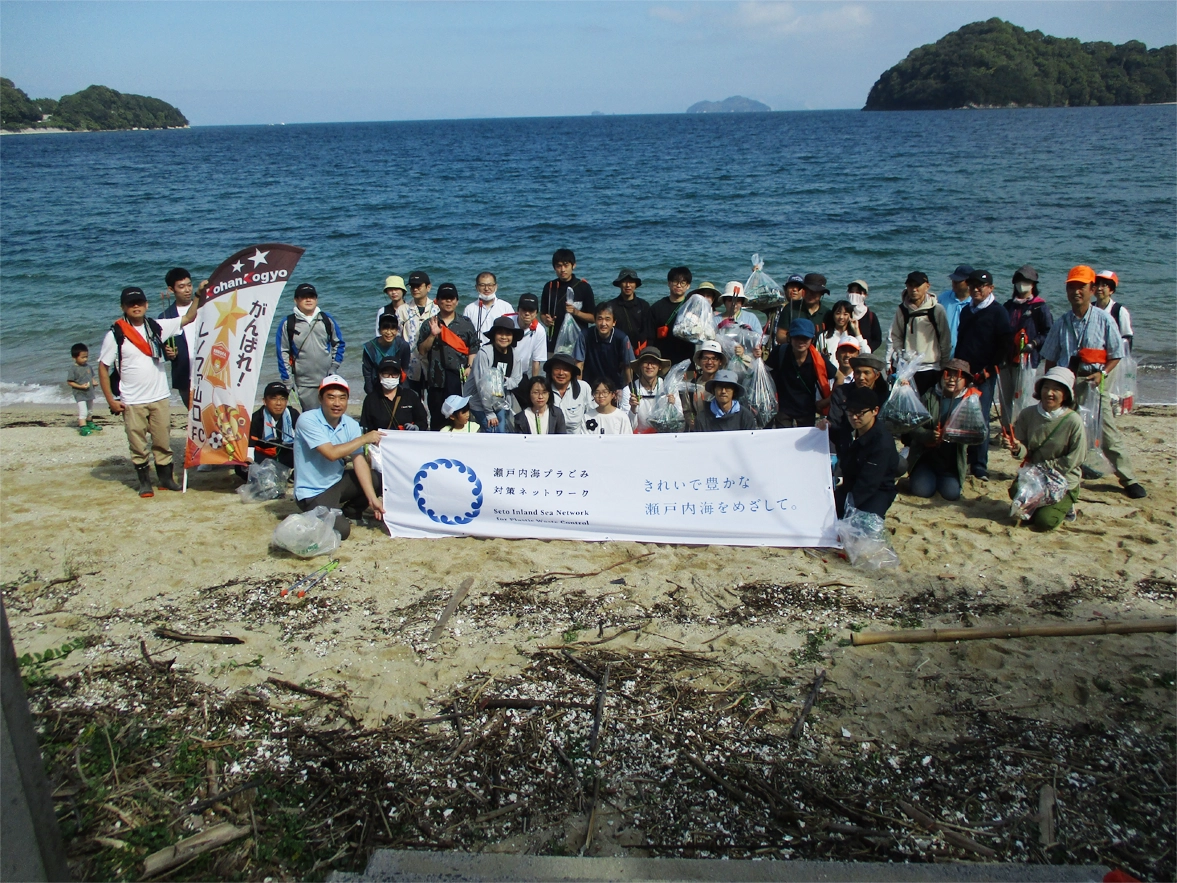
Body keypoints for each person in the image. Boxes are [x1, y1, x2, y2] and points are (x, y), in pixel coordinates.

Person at [1039, 265, 1146, 500]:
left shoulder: (1105, 319)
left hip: (1094, 382)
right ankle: (1060, 473)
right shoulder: (1061, 322)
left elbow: (1116, 353)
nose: (1076, 291)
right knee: (1063, 431)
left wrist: (1103, 374)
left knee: (1106, 431)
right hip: (1067, 383)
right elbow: (1050, 358)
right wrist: (1049, 386)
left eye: (1081, 287)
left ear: (1092, 289)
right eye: (1072, 287)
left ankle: (1128, 478)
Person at [97, 285, 201, 497]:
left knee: (163, 441)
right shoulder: (115, 334)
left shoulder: (156, 326)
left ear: (146, 305)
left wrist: (198, 294)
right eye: (130, 304)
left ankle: (165, 480)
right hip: (132, 400)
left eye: (139, 303)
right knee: (138, 444)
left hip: (160, 397)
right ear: (123, 307)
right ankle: (145, 482)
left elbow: (189, 317)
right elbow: (103, 367)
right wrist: (110, 400)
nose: (135, 307)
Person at [292, 375, 384, 541]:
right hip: (312, 492)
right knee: (342, 531)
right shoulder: (307, 420)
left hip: (337, 483)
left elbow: (358, 461)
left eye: (342, 398)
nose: (337, 403)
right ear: (321, 398)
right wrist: (363, 439)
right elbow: (331, 454)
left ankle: (351, 511)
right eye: (331, 397)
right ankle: (319, 513)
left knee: (377, 477)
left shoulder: (351, 424)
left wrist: (372, 499)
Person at [1005, 367, 1086, 530]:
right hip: (1035, 476)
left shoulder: (1073, 421)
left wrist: (1046, 469)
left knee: (1044, 522)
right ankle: (1042, 505)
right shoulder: (1028, 414)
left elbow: (1076, 458)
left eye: (1056, 389)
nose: (1049, 393)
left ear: (1066, 394)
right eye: (1046, 387)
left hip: (1063, 479)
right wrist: (1015, 448)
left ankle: (1067, 505)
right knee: (1015, 491)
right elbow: (1024, 450)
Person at [953, 269, 1013, 481]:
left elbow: (1006, 346)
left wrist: (990, 369)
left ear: (991, 288)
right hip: (964, 372)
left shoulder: (998, 312)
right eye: (972, 286)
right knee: (960, 416)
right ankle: (962, 461)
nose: (976, 289)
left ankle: (979, 465)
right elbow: (961, 342)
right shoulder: (967, 311)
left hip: (985, 374)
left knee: (981, 419)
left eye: (981, 286)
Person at [907, 360, 977, 502]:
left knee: (951, 494)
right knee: (922, 491)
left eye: (957, 376)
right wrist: (928, 435)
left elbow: (979, 434)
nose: (952, 379)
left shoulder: (970, 402)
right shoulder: (929, 396)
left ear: (966, 381)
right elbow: (912, 426)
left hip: (950, 464)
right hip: (926, 459)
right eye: (948, 374)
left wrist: (958, 434)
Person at [417, 282, 479, 432]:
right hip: (436, 378)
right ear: (437, 301)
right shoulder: (429, 323)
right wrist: (433, 335)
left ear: (457, 301)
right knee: (437, 418)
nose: (448, 301)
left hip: (458, 378)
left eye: (451, 298)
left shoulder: (465, 323)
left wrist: (470, 366)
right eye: (444, 298)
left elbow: (473, 347)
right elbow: (422, 351)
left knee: (459, 418)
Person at [999, 264, 1053, 432]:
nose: (1022, 284)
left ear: (1033, 285)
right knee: (1005, 397)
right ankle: (1006, 430)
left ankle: (1023, 430)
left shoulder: (1040, 307)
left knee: (1023, 397)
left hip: (1028, 359)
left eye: (1026, 281)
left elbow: (1048, 332)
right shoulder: (1008, 306)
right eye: (1019, 281)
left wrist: (1034, 343)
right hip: (1006, 359)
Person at [274, 283, 345, 409]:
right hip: (304, 384)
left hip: (328, 379)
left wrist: (334, 366)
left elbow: (338, 343)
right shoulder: (288, 323)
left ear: (316, 299)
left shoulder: (326, 319)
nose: (308, 300)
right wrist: (287, 380)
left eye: (311, 296)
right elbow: (282, 352)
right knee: (311, 419)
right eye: (303, 297)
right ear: (296, 300)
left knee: (332, 416)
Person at [835, 386, 901, 519]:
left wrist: (849, 508)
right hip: (850, 485)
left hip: (877, 490)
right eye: (850, 411)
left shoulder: (882, 442)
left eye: (859, 413)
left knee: (863, 524)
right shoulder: (849, 429)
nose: (854, 417)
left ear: (875, 411)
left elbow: (869, 484)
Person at [888, 271, 952, 395]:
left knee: (929, 405)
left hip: (931, 367)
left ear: (927, 286)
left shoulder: (937, 310)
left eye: (918, 285)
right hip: (908, 368)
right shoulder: (902, 310)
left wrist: (944, 365)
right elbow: (896, 335)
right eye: (910, 285)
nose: (914, 289)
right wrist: (901, 356)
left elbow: (945, 339)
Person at [767, 318, 835, 428]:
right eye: (797, 337)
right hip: (782, 409)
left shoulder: (818, 359)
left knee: (805, 443)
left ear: (812, 339)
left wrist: (826, 401)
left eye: (805, 338)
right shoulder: (780, 352)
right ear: (790, 337)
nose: (801, 341)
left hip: (807, 411)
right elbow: (765, 374)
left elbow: (839, 378)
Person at [828, 352, 891, 468]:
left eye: (866, 373)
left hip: (877, 446)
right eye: (857, 372)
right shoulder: (841, 393)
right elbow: (835, 424)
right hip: (847, 445)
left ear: (876, 376)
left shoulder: (886, 396)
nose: (861, 378)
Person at [468, 316, 525, 432]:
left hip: (501, 403)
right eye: (500, 333)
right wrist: (489, 413)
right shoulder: (484, 354)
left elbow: (516, 380)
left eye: (508, 334)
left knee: (503, 431)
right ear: (494, 335)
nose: (504, 337)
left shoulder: (515, 355)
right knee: (493, 431)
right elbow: (481, 385)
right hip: (479, 402)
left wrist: (500, 381)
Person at [236, 381, 300, 482]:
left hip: (285, 454)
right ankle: (265, 478)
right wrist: (249, 460)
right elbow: (250, 446)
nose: (278, 403)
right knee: (241, 467)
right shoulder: (256, 418)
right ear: (264, 401)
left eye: (282, 399)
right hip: (264, 456)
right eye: (273, 398)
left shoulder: (293, 414)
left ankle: (292, 476)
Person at [574, 303, 635, 408]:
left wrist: (628, 391)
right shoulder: (584, 335)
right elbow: (579, 364)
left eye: (607, 319)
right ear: (595, 320)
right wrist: (579, 390)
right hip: (590, 386)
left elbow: (628, 367)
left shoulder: (622, 338)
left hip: (615, 387)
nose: (603, 323)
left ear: (614, 322)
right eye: (600, 319)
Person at [540, 249, 595, 356]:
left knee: (577, 372)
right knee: (554, 372)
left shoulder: (584, 287)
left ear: (573, 265)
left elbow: (593, 318)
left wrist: (576, 312)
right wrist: (546, 320)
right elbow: (542, 313)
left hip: (578, 341)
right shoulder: (549, 287)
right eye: (558, 266)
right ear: (554, 268)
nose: (562, 269)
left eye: (566, 265)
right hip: (554, 341)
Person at [159, 267, 197, 409]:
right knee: (193, 415)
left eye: (189, 285)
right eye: (181, 287)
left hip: (208, 371)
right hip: (184, 373)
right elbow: (161, 350)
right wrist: (167, 353)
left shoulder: (205, 307)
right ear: (171, 289)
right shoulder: (165, 316)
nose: (187, 290)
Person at [359, 357, 429, 434]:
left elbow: (423, 421)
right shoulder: (371, 399)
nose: (390, 377)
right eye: (386, 373)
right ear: (379, 375)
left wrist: (416, 427)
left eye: (394, 374)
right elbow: (365, 427)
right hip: (381, 443)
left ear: (399, 376)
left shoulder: (410, 396)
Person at [397, 271, 439, 396]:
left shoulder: (436, 309)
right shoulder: (403, 310)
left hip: (432, 364)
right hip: (410, 364)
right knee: (411, 400)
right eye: (412, 286)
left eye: (418, 286)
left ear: (428, 287)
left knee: (434, 401)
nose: (415, 289)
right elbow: (397, 338)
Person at [649, 266, 696, 366]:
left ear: (688, 286)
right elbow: (650, 337)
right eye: (675, 282)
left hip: (686, 361)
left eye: (683, 283)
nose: (678, 285)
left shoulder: (692, 307)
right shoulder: (657, 307)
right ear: (669, 283)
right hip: (662, 361)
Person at [680, 340, 727, 431]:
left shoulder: (726, 384)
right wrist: (691, 421)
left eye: (714, 358)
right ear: (700, 361)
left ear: (720, 362)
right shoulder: (691, 384)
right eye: (705, 358)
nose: (709, 362)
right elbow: (687, 410)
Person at [362, 313, 412, 396]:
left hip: (398, 385)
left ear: (397, 330)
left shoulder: (403, 346)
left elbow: (405, 368)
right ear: (379, 330)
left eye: (393, 328)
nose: (389, 332)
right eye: (385, 328)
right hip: (377, 386)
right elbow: (367, 373)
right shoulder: (369, 348)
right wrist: (371, 395)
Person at [693, 370, 758, 432]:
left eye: (728, 387)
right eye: (719, 387)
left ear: (734, 391)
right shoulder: (702, 418)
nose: (723, 391)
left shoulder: (746, 416)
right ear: (713, 390)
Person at [543, 353, 592, 434]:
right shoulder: (543, 390)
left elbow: (592, 414)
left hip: (577, 440)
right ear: (551, 371)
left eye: (565, 369)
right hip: (550, 439)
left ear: (572, 372)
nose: (561, 373)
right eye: (557, 368)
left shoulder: (584, 387)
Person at [608, 268, 653, 354]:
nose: (628, 285)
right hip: (618, 348)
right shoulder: (611, 306)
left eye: (631, 282)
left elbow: (648, 330)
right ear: (619, 284)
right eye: (624, 282)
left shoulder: (644, 305)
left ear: (635, 285)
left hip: (640, 350)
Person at [627, 347, 671, 433]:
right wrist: (633, 409)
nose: (649, 366)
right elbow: (627, 427)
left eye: (654, 362)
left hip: (664, 438)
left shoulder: (668, 387)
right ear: (640, 366)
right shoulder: (629, 389)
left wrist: (672, 406)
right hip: (640, 440)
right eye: (645, 362)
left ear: (660, 367)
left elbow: (678, 421)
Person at [463, 271, 515, 344]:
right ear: (476, 287)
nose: (486, 288)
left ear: (496, 286)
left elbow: (512, 332)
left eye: (490, 285)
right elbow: (465, 333)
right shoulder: (469, 309)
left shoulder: (506, 307)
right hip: (477, 352)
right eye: (482, 285)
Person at [1094, 271, 1133, 352]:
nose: (1099, 288)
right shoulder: (1089, 309)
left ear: (1111, 290)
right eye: (1097, 284)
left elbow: (1127, 339)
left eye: (1104, 285)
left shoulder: (1119, 311)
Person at [938, 264, 975, 351]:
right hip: (943, 352)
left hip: (966, 353)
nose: (954, 283)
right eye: (953, 280)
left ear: (968, 282)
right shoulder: (943, 298)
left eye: (958, 281)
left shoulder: (975, 302)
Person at [67, 343, 100, 434]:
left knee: (90, 410)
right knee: (83, 411)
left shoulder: (88, 366)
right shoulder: (73, 368)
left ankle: (89, 422)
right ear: (74, 357)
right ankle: (83, 426)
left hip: (89, 392)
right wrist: (80, 386)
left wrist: (94, 382)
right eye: (82, 357)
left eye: (86, 357)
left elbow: (91, 377)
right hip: (79, 393)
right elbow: (70, 382)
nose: (85, 359)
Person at [513, 294, 547, 377]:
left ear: (536, 313)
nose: (527, 313)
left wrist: (534, 382)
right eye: (524, 309)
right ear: (518, 310)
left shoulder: (540, 331)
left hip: (521, 373)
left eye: (531, 310)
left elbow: (536, 360)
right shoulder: (508, 323)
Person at [845, 280, 883, 353]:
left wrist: (867, 350)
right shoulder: (844, 314)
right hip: (846, 354)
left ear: (865, 295)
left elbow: (877, 340)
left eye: (858, 292)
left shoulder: (871, 316)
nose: (854, 294)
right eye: (851, 291)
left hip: (864, 355)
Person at [772, 274, 809, 344]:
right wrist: (756, 275)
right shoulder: (774, 306)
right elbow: (754, 301)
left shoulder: (806, 310)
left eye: (798, 287)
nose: (795, 289)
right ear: (785, 289)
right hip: (774, 349)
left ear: (803, 291)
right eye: (791, 286)